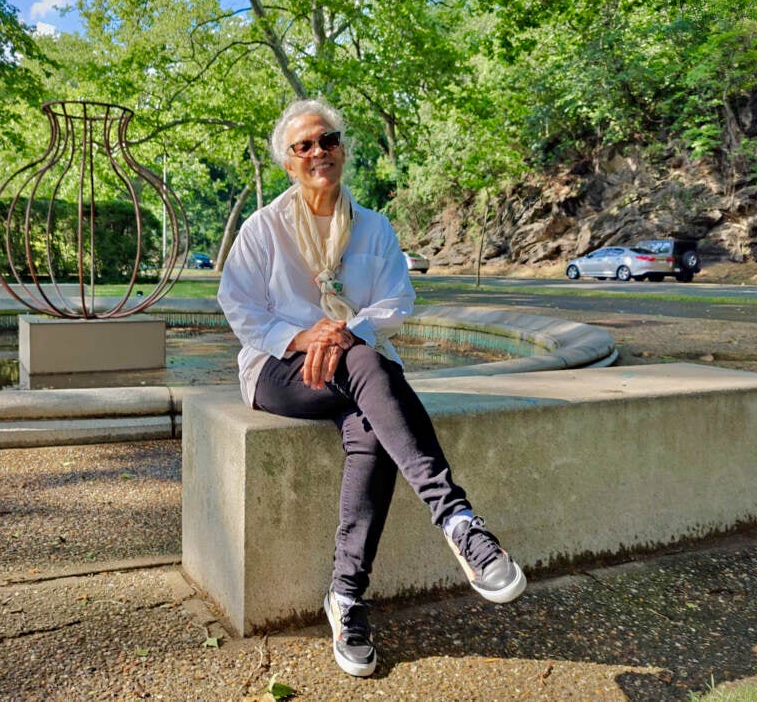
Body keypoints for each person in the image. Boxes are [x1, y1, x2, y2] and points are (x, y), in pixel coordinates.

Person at [217, 98, 526, 678]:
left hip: (356, 368)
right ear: (288, 161)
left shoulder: (375, 227)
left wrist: (343, 332)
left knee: (369, 421)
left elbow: (395, 303)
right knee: (367, 365)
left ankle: (346, 596)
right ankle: (457, 518)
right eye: (303, 145)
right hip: (279, 371)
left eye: (328, 140)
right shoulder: (263, 229)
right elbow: (239, 308)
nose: (318, 152)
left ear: (343, 149)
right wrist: (309, 338)